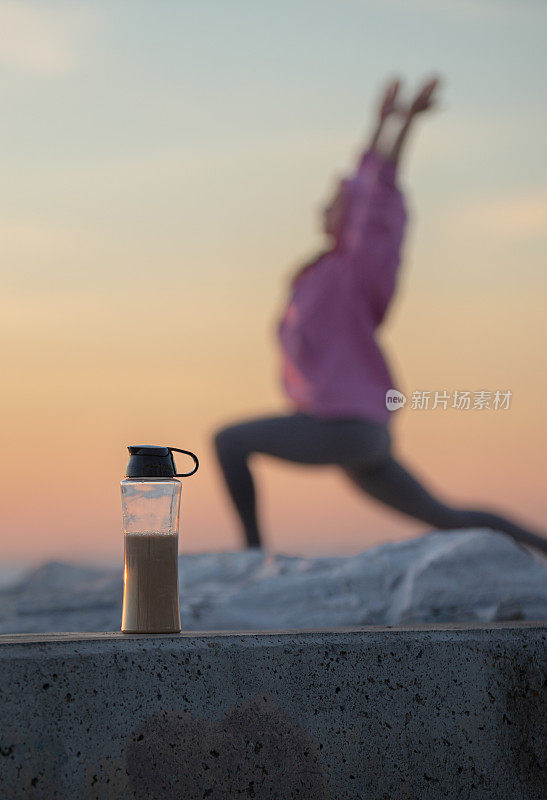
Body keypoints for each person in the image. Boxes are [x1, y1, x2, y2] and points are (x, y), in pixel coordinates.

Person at [214, 77, 547, 554]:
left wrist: (403, 125)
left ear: (348, 218)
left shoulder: (356, 269)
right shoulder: (319, 274)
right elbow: (362, 179)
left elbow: (376, 195)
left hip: (346, 428)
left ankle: (251, 556)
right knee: (447, 518)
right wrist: (378, 123)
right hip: (352, 432)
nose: (321, 207)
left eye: (332, 203)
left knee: (229, 441)